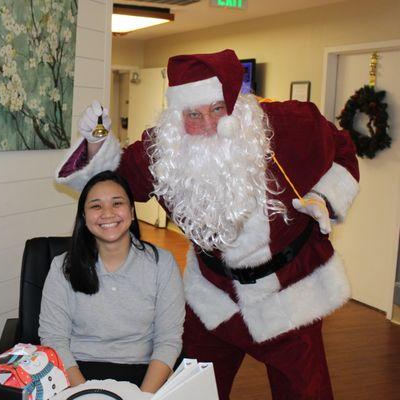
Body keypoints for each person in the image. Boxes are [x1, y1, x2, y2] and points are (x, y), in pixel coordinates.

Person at [55, 50, 360, 399]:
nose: (208, 124)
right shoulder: (163, 151)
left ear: (235, 104)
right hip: (215, 299)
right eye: (194, 115)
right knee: (192, 391)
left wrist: (324, 197)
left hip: (289, 298)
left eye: (218, 109)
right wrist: (96, 146)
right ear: (177, 116)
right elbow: (113, 181)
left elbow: (343, 150)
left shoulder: (291, 125)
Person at [38, 170, 185, 393]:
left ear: (132, 212)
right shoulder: (62, 267)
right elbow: (54, 339)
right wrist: (86, 395)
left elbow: (168, 340)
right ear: (83, 217)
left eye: (117, 203)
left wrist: (143, 398)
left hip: (144, 374)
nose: (108, 213)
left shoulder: (162, 264)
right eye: (96, 206)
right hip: (76, 373)